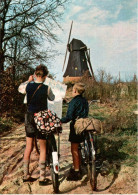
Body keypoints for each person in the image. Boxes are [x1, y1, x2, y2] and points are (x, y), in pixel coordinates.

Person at [18, 64, 55, 185]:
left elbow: (20, 89)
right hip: (41, 118)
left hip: (29, 117)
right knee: (43, 147)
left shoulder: (27, 86)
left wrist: (28, 81)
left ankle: (25, 175)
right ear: (45, 76)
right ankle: (42, 177)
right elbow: (52, 98)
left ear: (35, 74)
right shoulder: (46, 88)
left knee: (29, 147)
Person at [61, 82, 89, 181]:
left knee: (74, 148)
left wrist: (60, 121)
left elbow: (69, 116)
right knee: (82, 144)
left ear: (75, 91)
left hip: (77, 125)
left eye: (72, 90)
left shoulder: (73, 102)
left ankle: (77, 171)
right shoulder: (85, 100)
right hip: (85, 124)